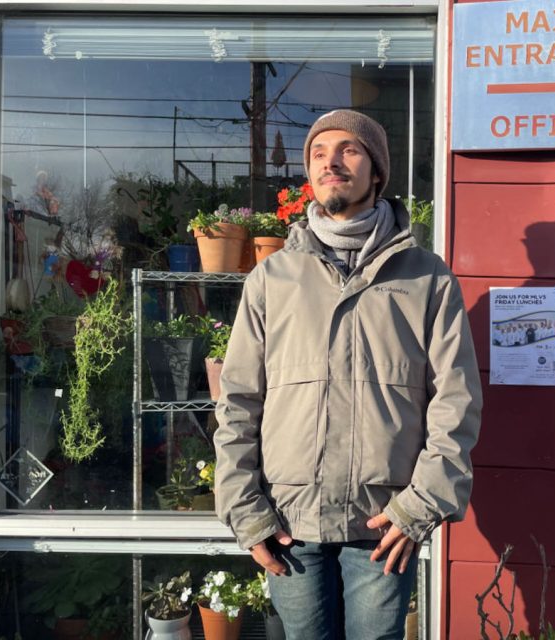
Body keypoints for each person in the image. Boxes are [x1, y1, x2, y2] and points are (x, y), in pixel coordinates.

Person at [213, 109, 483, 640]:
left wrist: (418, 507)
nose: (330, 162)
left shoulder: (428, 279)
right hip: (289, 519)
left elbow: (456, 401)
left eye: (349, 150)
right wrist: (245, 510)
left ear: (376, 171)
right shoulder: (272, 278)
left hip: (383, 521)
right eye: (318, 152)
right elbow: (238, 399)